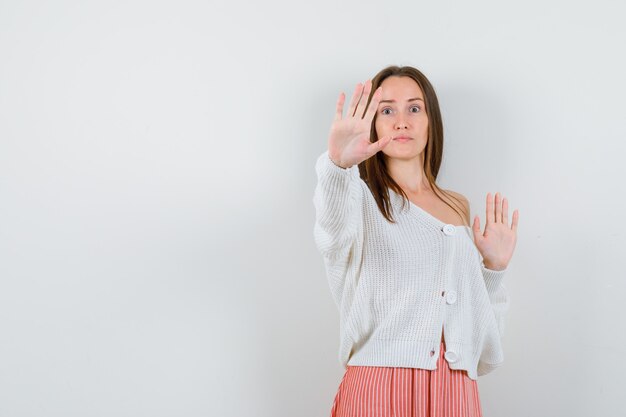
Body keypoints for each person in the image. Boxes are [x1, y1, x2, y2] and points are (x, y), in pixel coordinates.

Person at [312, 65, 519, 417]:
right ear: (374, 122)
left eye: (414, 108)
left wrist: (494, 270)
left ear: (430, 121)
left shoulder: (458, 207)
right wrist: (337, 166)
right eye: (387, 110)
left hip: (455, 391)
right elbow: (330, 236)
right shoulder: (357, 196)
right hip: (380, 387)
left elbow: (484, 350)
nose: (401, 121)